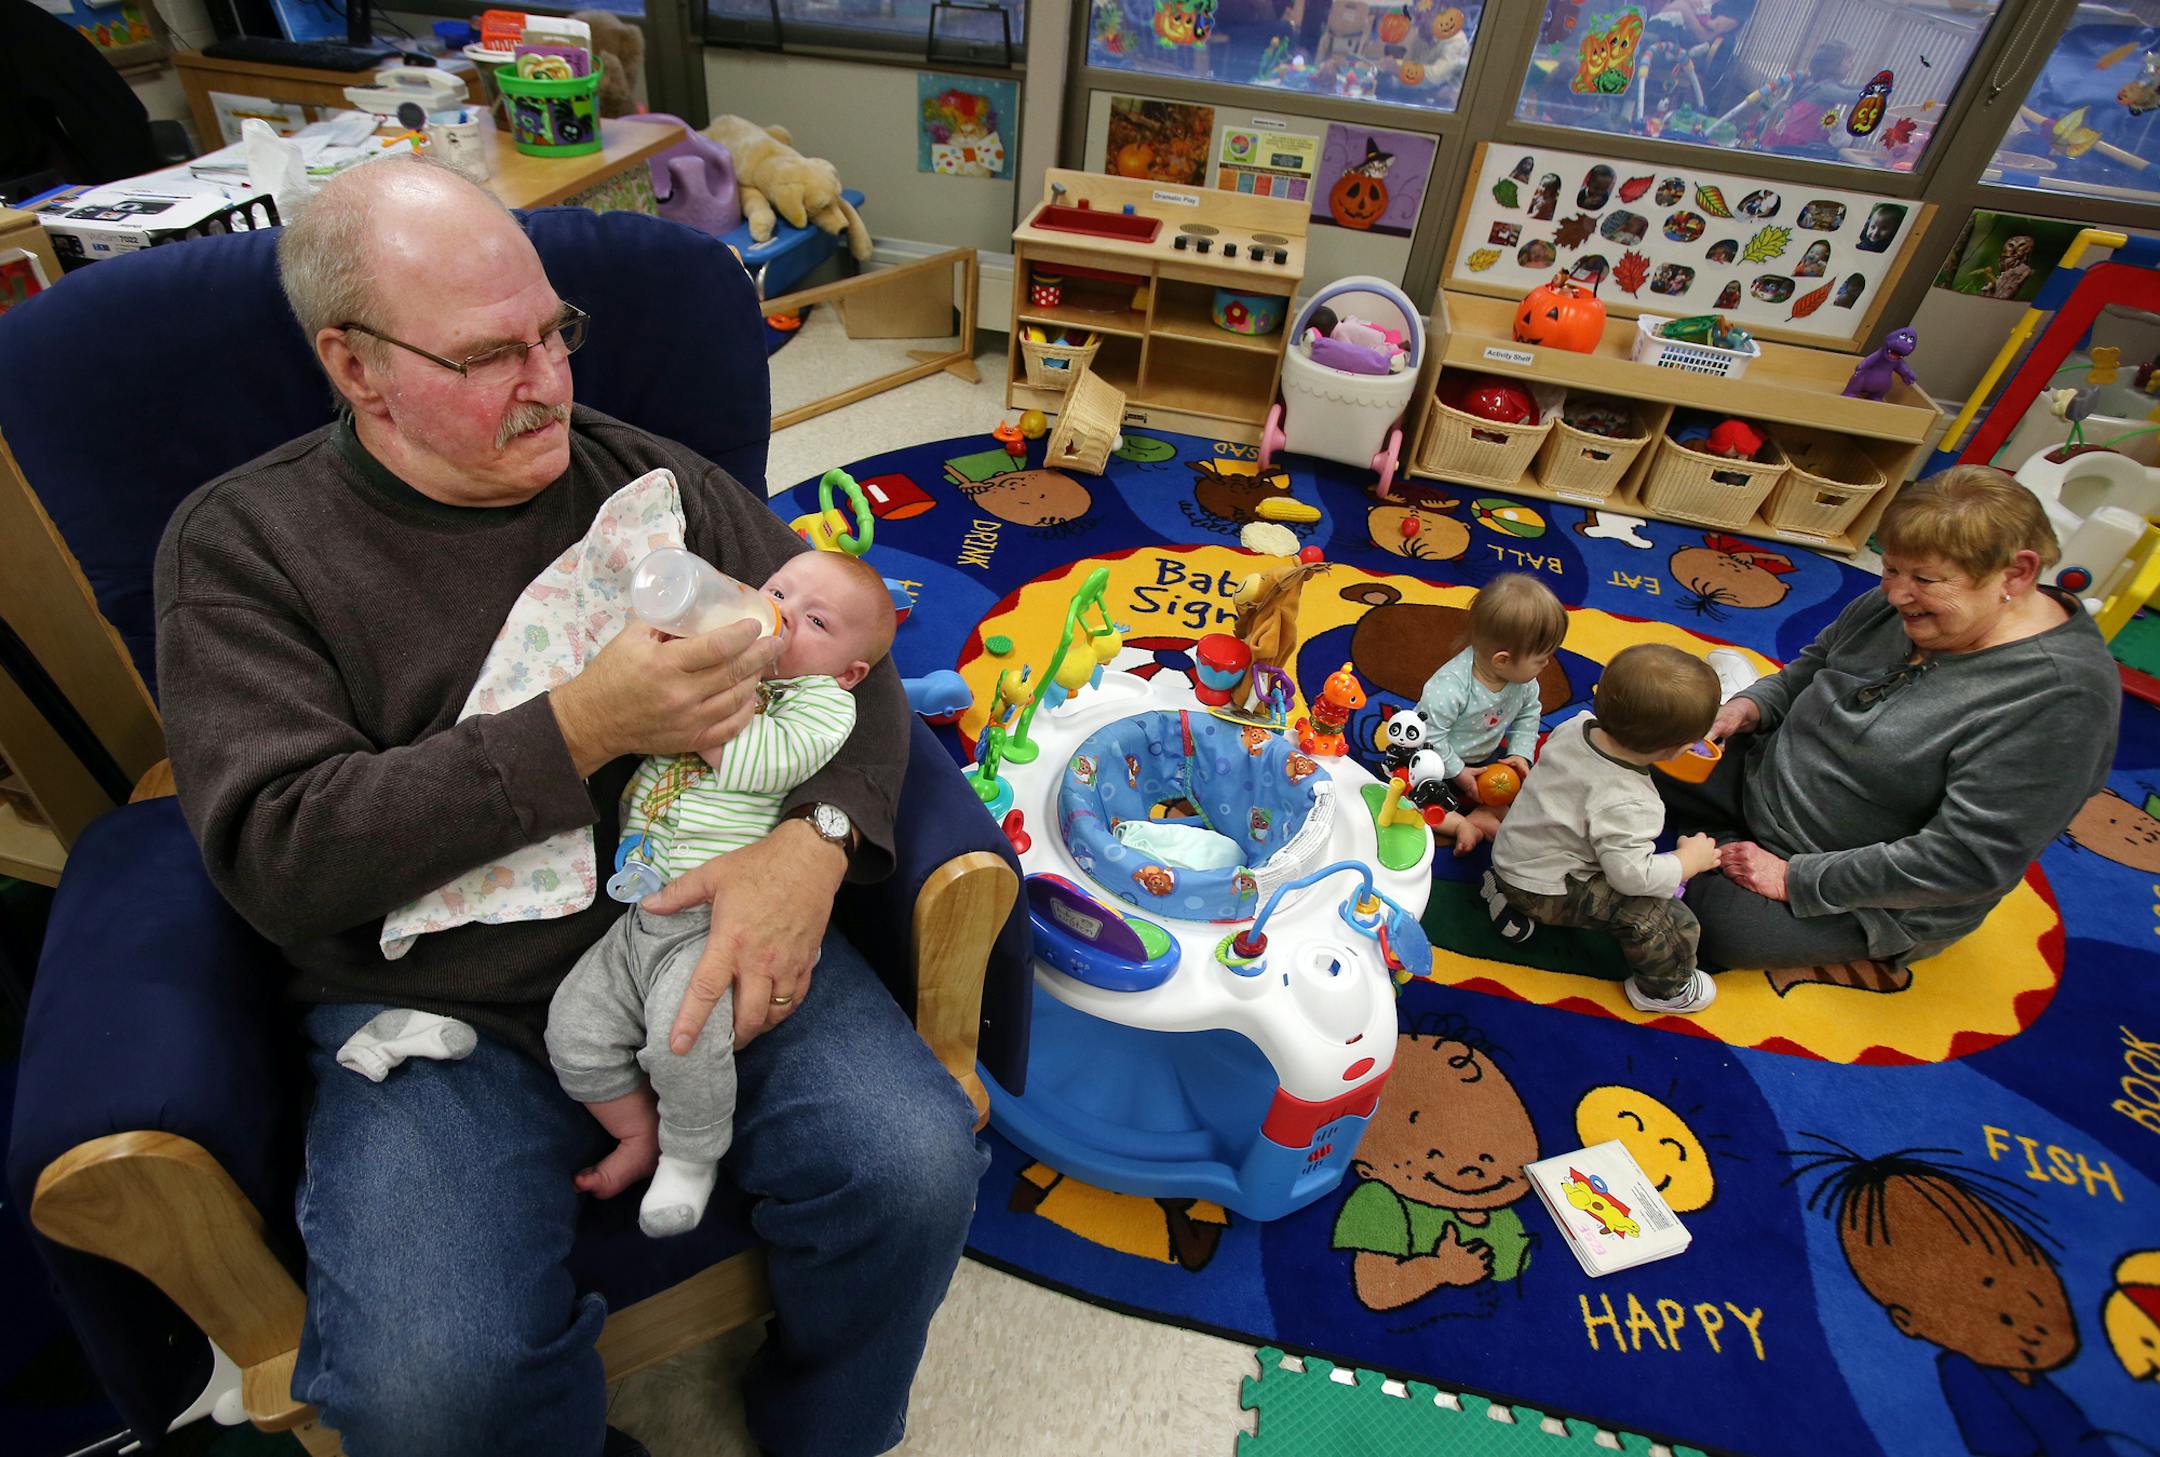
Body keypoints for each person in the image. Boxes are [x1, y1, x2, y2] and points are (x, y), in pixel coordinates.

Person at [152, 156, 986, 1457]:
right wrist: (588, 723)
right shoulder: (245, 549)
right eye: (490, 354)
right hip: (441, 1002)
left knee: (916, 1164)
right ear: (354, 365)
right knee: (435, 1389)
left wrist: (812, 850)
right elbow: (280, 850)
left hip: (690, 921)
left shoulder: (652, 487)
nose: (548, 382)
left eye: (555, 333)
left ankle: (829, 1425)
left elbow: (850, 661)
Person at [1662, 466, 2121, 988]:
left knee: (1715, 928)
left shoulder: (2063, 704)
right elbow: (1811, 668)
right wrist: (1749, 707)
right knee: (1627, 735)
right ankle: (1723, 836)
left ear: (2015, 575)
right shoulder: (1898, 601)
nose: (1897, 593)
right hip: (1768, 772)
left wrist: (1796, 878)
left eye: (1924, 580)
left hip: (1856, 877)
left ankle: (1724, 853)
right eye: (1890, 569)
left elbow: (1966, 860)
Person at [550, 550, 897, 1239]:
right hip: (641, 910)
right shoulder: (726, 672)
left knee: (681, 1035)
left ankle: (690, 1153)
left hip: (716, 919)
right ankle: (637, 1133)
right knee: (573, 1031)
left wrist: (692, 699)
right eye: (776, 592)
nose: (782, 616)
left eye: (815, 621)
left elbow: (758, 763)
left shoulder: (821, 703)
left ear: (849, 671)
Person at [1481, 644, 1726, 1015]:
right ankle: (1665, 990)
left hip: (1513, 853)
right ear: (1677, 750)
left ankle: (1500, 890)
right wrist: (1686, 861)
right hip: (1546, 888)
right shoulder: (1633, 801)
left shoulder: (1576, 725)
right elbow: (1632, 877)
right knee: (1663, 920)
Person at [1414, 573, 1564, 853]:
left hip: (1484, 760)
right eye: (1541, 659)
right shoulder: (1449, 688)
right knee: (1408, 798)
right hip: (1435, 757)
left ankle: (1484, 813)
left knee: (1531, 790)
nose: (1547, 663)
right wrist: (1458, 772)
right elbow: (1429, 737)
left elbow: (1529, 715)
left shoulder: (1524, 683)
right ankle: (1459, 824)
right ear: (1503, 660)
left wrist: (1519, 754)